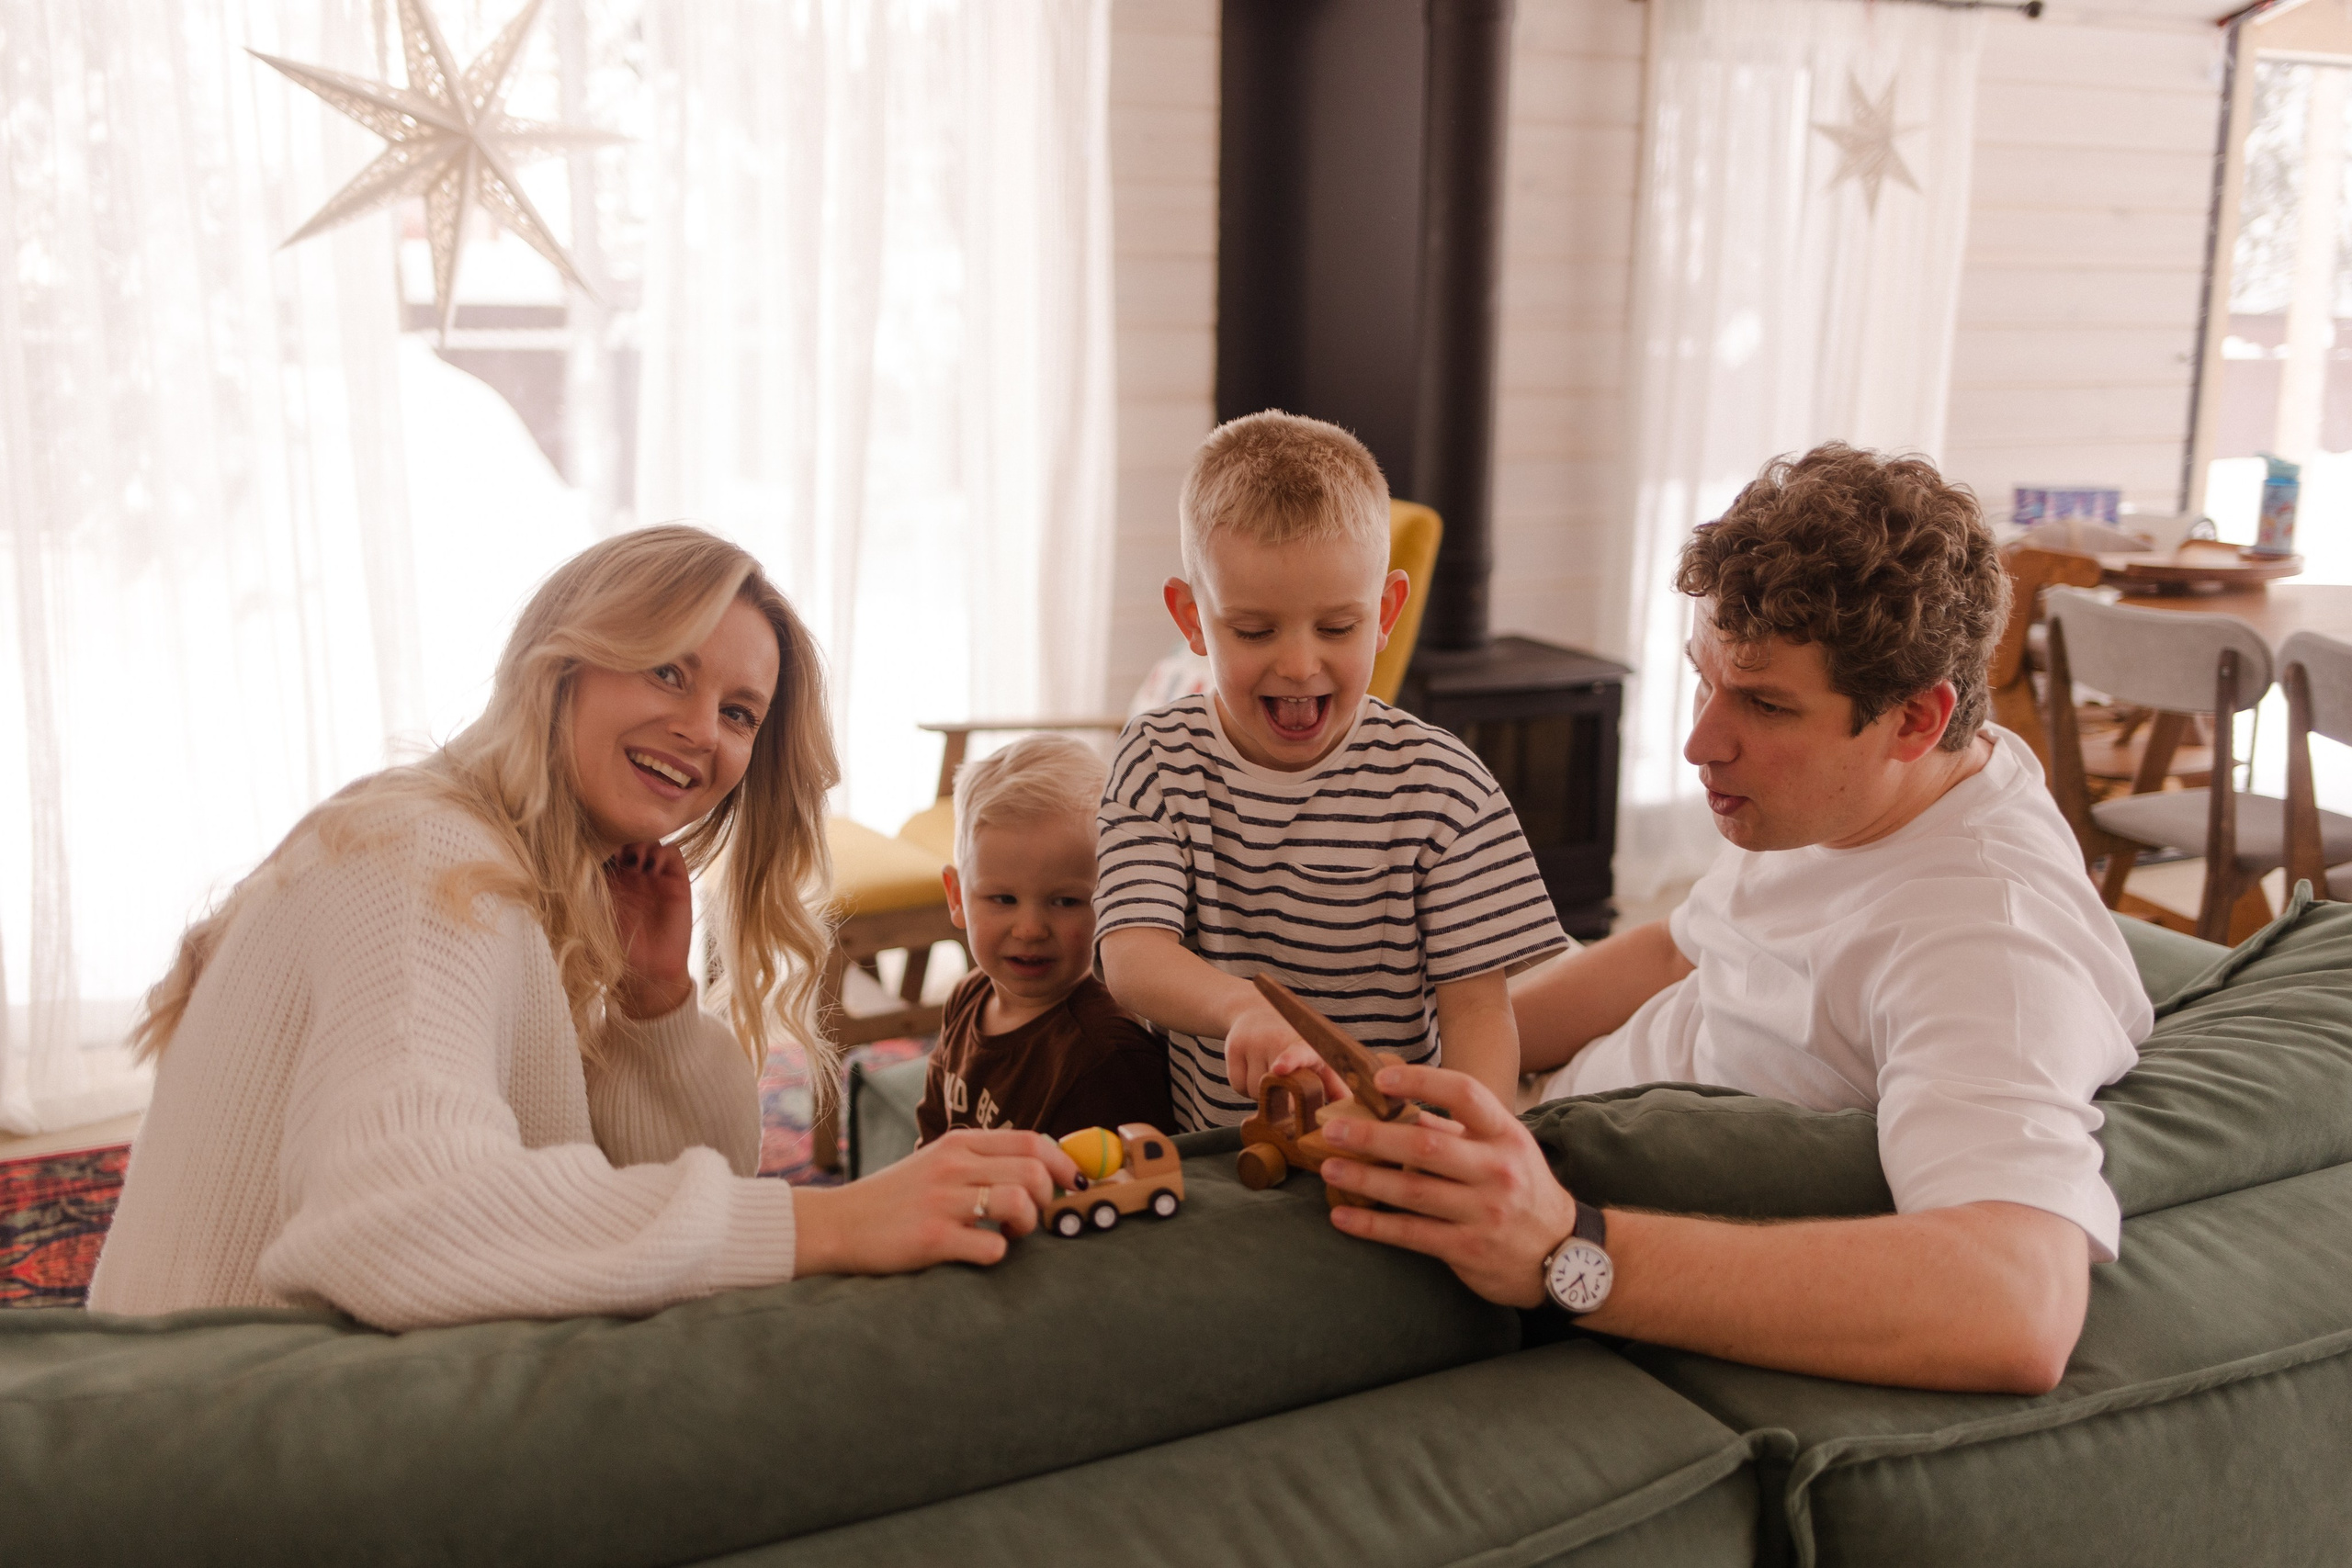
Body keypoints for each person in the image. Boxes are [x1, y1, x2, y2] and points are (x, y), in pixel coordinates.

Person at [1307, 444, 2151, 1395]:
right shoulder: (1876, 787)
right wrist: (1416, 1058)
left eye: (1761, 703)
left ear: (1917, 718)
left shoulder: (1984, 948)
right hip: (1535, 1123)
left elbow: (2017, 1307)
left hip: (1559, 1233)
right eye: (1703, 679)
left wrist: (1562, 1248)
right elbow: (1677, 950)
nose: (1699, 742)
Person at [89, 525, 1075, 1331]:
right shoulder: (420, 857)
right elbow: (398, 1219)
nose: (703, 730)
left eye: (739, 712)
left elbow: (653, 1212)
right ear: (561, 662)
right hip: (221, 1434)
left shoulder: (530, 873)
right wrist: (829, 1224)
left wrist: (652, 1011)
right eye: (664, 672)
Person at [1097, 411, 1567, 1129]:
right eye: (1254, 630)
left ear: (1386, 612)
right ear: (1192, 618)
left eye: (1337, 628)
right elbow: (1133, 956)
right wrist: (1242, 1007)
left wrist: (1476, 1143)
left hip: (1393, 1148)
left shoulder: (1445, 788)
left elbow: (1479, 1014)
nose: (1298, 663)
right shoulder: (1156, 759)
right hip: (1218, 1160)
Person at [916, 734, 1172, 1143]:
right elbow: (933, 1133)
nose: (1030, 929)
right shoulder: (967, 997)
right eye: (1004, 898)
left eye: (1066, 901)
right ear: (957, 896)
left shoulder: (1109, 1056)